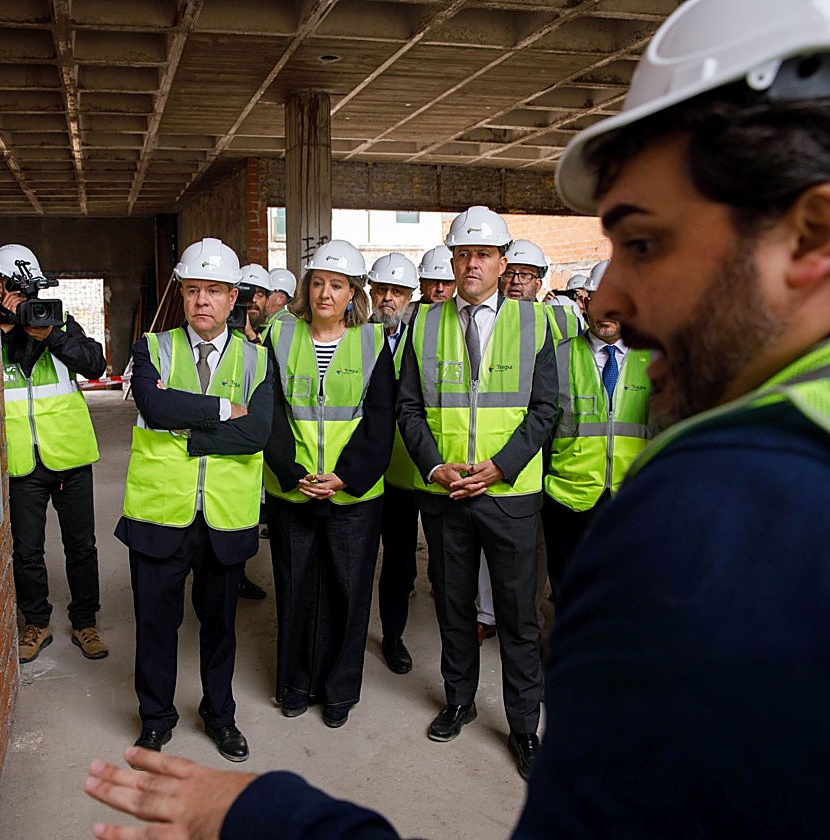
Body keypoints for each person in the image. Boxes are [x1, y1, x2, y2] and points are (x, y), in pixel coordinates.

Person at [84, 0, 830, 836]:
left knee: (507, 617)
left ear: (812, 234)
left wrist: (266, 819)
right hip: (372, 490)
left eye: (646, 245)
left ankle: (510, 720)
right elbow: (389, 408)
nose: (608, 298)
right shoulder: (739, 478)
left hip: (474, 492)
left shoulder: (754, 515)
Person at [398, 206, 557, 780]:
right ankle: (459, 700)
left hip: (509, 494)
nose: (470, 264)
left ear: (502, 262)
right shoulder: (423, 324)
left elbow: (545, 410)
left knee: (517, 617)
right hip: (446, 494)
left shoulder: (537, 324)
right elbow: (408, 408)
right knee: (454, 605)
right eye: (462, 254)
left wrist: (499, 467)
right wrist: (436, 467)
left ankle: (523, 726)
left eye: (482, 254)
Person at [114, 237, 273, 764]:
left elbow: (258, 434)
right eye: (193, 291)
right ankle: (156, 718)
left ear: (234, 299)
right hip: (160, 513)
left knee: (220, 627)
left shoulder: (259, 360)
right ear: (182, 296)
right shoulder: (152, 348)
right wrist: (227, 408)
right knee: (156, 624)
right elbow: (156, 408)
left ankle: (220, 716)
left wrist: (195, 430)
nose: (202, 301)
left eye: (214, 291)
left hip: (224, 518)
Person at [263, 239, 394, 728]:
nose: (324, 293)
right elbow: (270, 412)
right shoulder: (279, 335)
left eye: (336, 285)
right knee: (295, 588)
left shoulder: (373, 341)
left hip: (353, 494)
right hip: (292, 488)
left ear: (352, 293)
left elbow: (380, 420)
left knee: (348, 591)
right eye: (317, 282)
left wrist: (347, 477)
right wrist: (295, 473)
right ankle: (295, 685)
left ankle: (339, 691)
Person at [0, 243, 109, 664]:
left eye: (30, 293)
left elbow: (95, 364)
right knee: (26, 549)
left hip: (69, 454)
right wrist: (5, 331)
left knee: (81, 546)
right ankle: (37, 623)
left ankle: (85, 622)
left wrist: (50, 334)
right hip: (22, 461)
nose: (26, 302)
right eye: (16, 292)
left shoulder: (57, 320)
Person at [541, 271, 652, 596]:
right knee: (568, 588)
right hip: (568, 498)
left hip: (631, 499)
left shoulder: (655, 360)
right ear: (584, 303)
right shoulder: (559, 356)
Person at [366, 253, 421, 674]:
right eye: (381, 290)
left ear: (409, 297)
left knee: (400, 560)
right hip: (361, 470)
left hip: (405, 472)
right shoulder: (356, 336)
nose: (388, 298)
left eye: (397, 292)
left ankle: (393, 635)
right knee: (357, 558)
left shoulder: (424, 337)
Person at [233, 263, 273, 601]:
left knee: (247, 517)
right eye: (246, 294)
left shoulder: (269, 335)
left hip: (256, 440)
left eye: (258, 294)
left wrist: (250, 335)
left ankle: (240, 573)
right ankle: (233, 576)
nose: (252, 302)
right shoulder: (218, 331)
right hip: (224, 438)